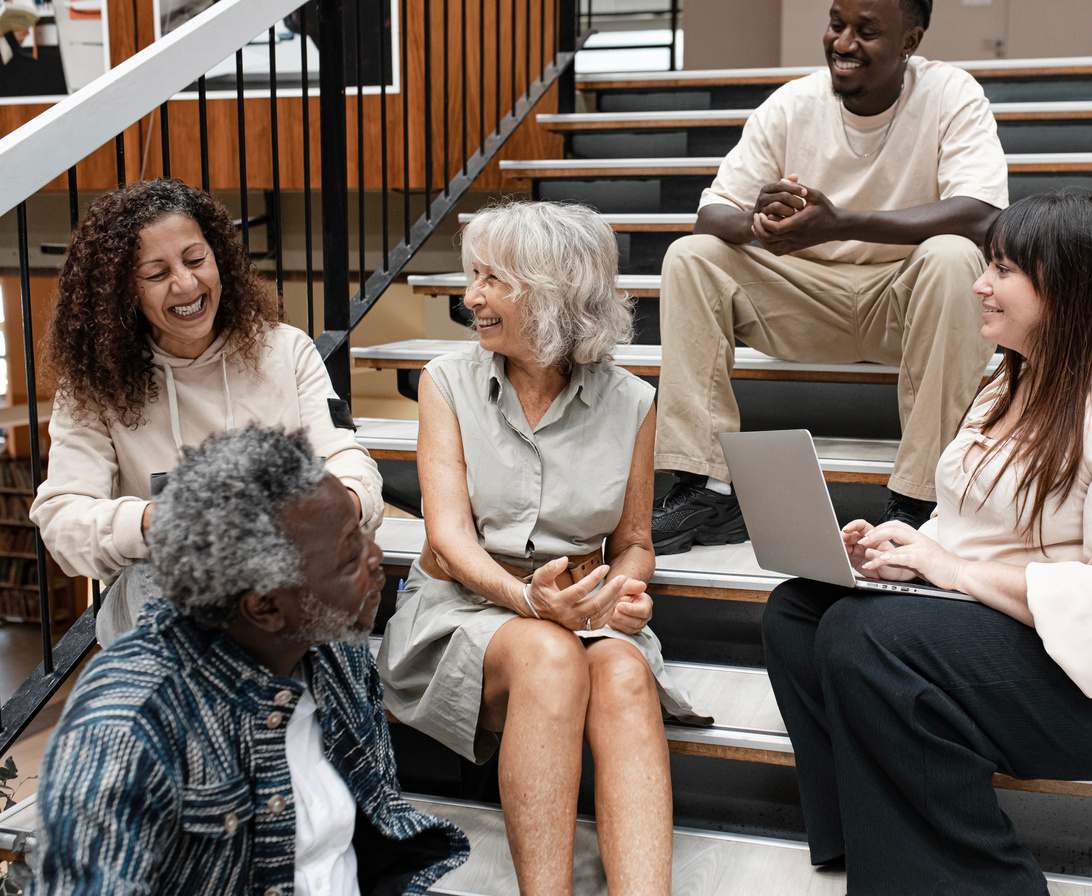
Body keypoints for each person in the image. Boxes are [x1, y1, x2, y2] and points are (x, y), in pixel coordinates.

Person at [761, 190, 1092, 895]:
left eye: (1004, 270)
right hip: (996, 629)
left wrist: (949, 568)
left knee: (867, 635)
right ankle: (868, 837)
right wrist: (907, 550)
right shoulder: (1007, 384)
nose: (980, 284)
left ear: (1070, 287)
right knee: (798, 611)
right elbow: (973, 527)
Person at [377, 201, 708, 896]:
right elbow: (447, 540)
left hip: (579, 609)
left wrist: (620, 590)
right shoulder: (446, 382)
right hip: (464, 606)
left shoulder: (632, 402)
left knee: (623, 676)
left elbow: (635, 543)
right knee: (549, 654)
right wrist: (529, 601)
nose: (471, 297)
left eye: (492, 279)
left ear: (555, 292)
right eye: (473, 276)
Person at [32, 426, 468, 896]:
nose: (377, 557)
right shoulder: (125, 728)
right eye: (349, 557)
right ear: (265, 607)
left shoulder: (331, 647)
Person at [651, 0, 1009, 554]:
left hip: (904, 301)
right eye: (837, 25)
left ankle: (920, 500)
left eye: (866, 31)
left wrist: (841, 223)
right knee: (692, 255)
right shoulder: (792, 103)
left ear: (910, 41)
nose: (843, 43)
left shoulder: (950, 92)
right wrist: (761, 223)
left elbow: (982, 215)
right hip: (805, 301)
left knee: (954, 257)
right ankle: (708, 488)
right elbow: (711, 214)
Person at [30, 178, 383, 646]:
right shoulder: (92, 387)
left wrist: (323, 510)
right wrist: (163, 520)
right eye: (156, 273)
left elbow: (349, 463)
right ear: (121, 291)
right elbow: (63, 518)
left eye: (196, 260)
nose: (186, 283)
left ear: (219, 258)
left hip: (286, 573)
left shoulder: (286, 350)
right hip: (163, 592)